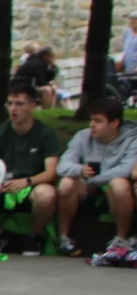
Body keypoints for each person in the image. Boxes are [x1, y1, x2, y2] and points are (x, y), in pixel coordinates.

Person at [0, 80, 61, 247]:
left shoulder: (46, 134)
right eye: (10, 103)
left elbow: (51, 172)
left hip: (32, 184)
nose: (13, 109)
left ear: (33, 106)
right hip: (4, 185)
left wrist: (26, 182)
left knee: (46, 194)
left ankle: (34, 237)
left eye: (19, 104)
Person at [56, 98, 137, 255]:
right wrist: (80, 170)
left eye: (98, 121)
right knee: (67, 183)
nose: (91, 124)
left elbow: (126, 169)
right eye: (92, 119)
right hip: (86, 187)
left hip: (115, 188)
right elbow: (62, 166)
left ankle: (121, 238)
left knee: (118, 184)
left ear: (114, 123)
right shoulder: (82, 136)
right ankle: (64, 237)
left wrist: (94, 180)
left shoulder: (132, 140)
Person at [14, 43, 60, 109]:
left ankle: (50, 110)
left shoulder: (43, 63)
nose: (53, 58)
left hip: (32, 85)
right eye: (52, 56)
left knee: (53, 88)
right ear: (45, 55)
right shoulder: (37, 63)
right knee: (47, 90)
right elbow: (41, 81)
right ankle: (45, 111)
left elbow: (48, 78)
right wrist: (50, 84)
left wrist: (53, 69)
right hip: (23, 87)